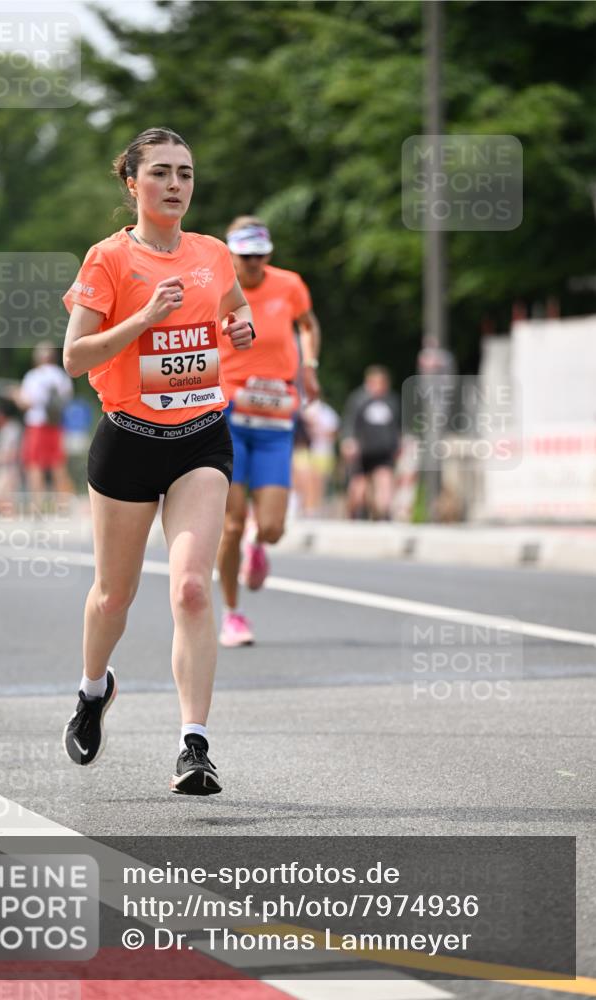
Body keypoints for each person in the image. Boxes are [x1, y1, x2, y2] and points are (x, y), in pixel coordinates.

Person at [60, 127, 254, 795]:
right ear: (132, 184)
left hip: (201, 435)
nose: (175, 184)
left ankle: (193, 745)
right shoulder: (108, 259)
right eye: (162, 173)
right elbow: (75, 357)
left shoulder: (213, 254)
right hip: (128, 439)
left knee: (192, 588)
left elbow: (232, 307)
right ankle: (92, 690)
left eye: (186, 173)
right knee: (114, 595)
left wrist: (241, 325)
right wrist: (142, 319)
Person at [216, 217, 321, 647]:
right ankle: (233, 615)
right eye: (245, 256)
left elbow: (309, 325)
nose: (254, 263)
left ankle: (260, 548)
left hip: (277, 419)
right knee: (232, 525)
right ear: (232, 255)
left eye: (260, 254)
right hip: (229, 415)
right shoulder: (217, 288)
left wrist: (309, 366)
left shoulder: (289, 285)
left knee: (273, 526)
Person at [11, 342, 75, 504]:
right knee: (57, 464)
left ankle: (37, 503)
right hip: (56, 424)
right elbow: (67, 399)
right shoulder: (61, 375)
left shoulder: (34, 376)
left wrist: (15, 395)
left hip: (37, 424)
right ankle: (64, 503)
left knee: (34, 464)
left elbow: (27, 402)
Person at [340, 366, 400, 520]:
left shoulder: (391, 401)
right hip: (362, 451)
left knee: (384, 482)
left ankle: (384, 516)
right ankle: (355, 515)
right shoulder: (359, 399)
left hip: (383, 450)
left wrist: (398, 445)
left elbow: (396, 427)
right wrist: (348, 441)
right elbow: (349, 423)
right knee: (358, 488)